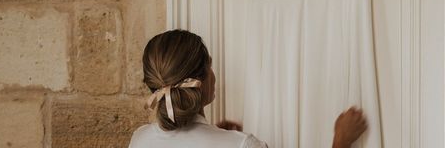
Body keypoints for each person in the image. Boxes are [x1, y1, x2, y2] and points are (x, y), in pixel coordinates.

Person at [128, 29, 368, 148]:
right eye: (210, 64)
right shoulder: (243, 145)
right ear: (202, 78)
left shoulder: (139, 140)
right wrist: (341, 142)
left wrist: (216, 135)